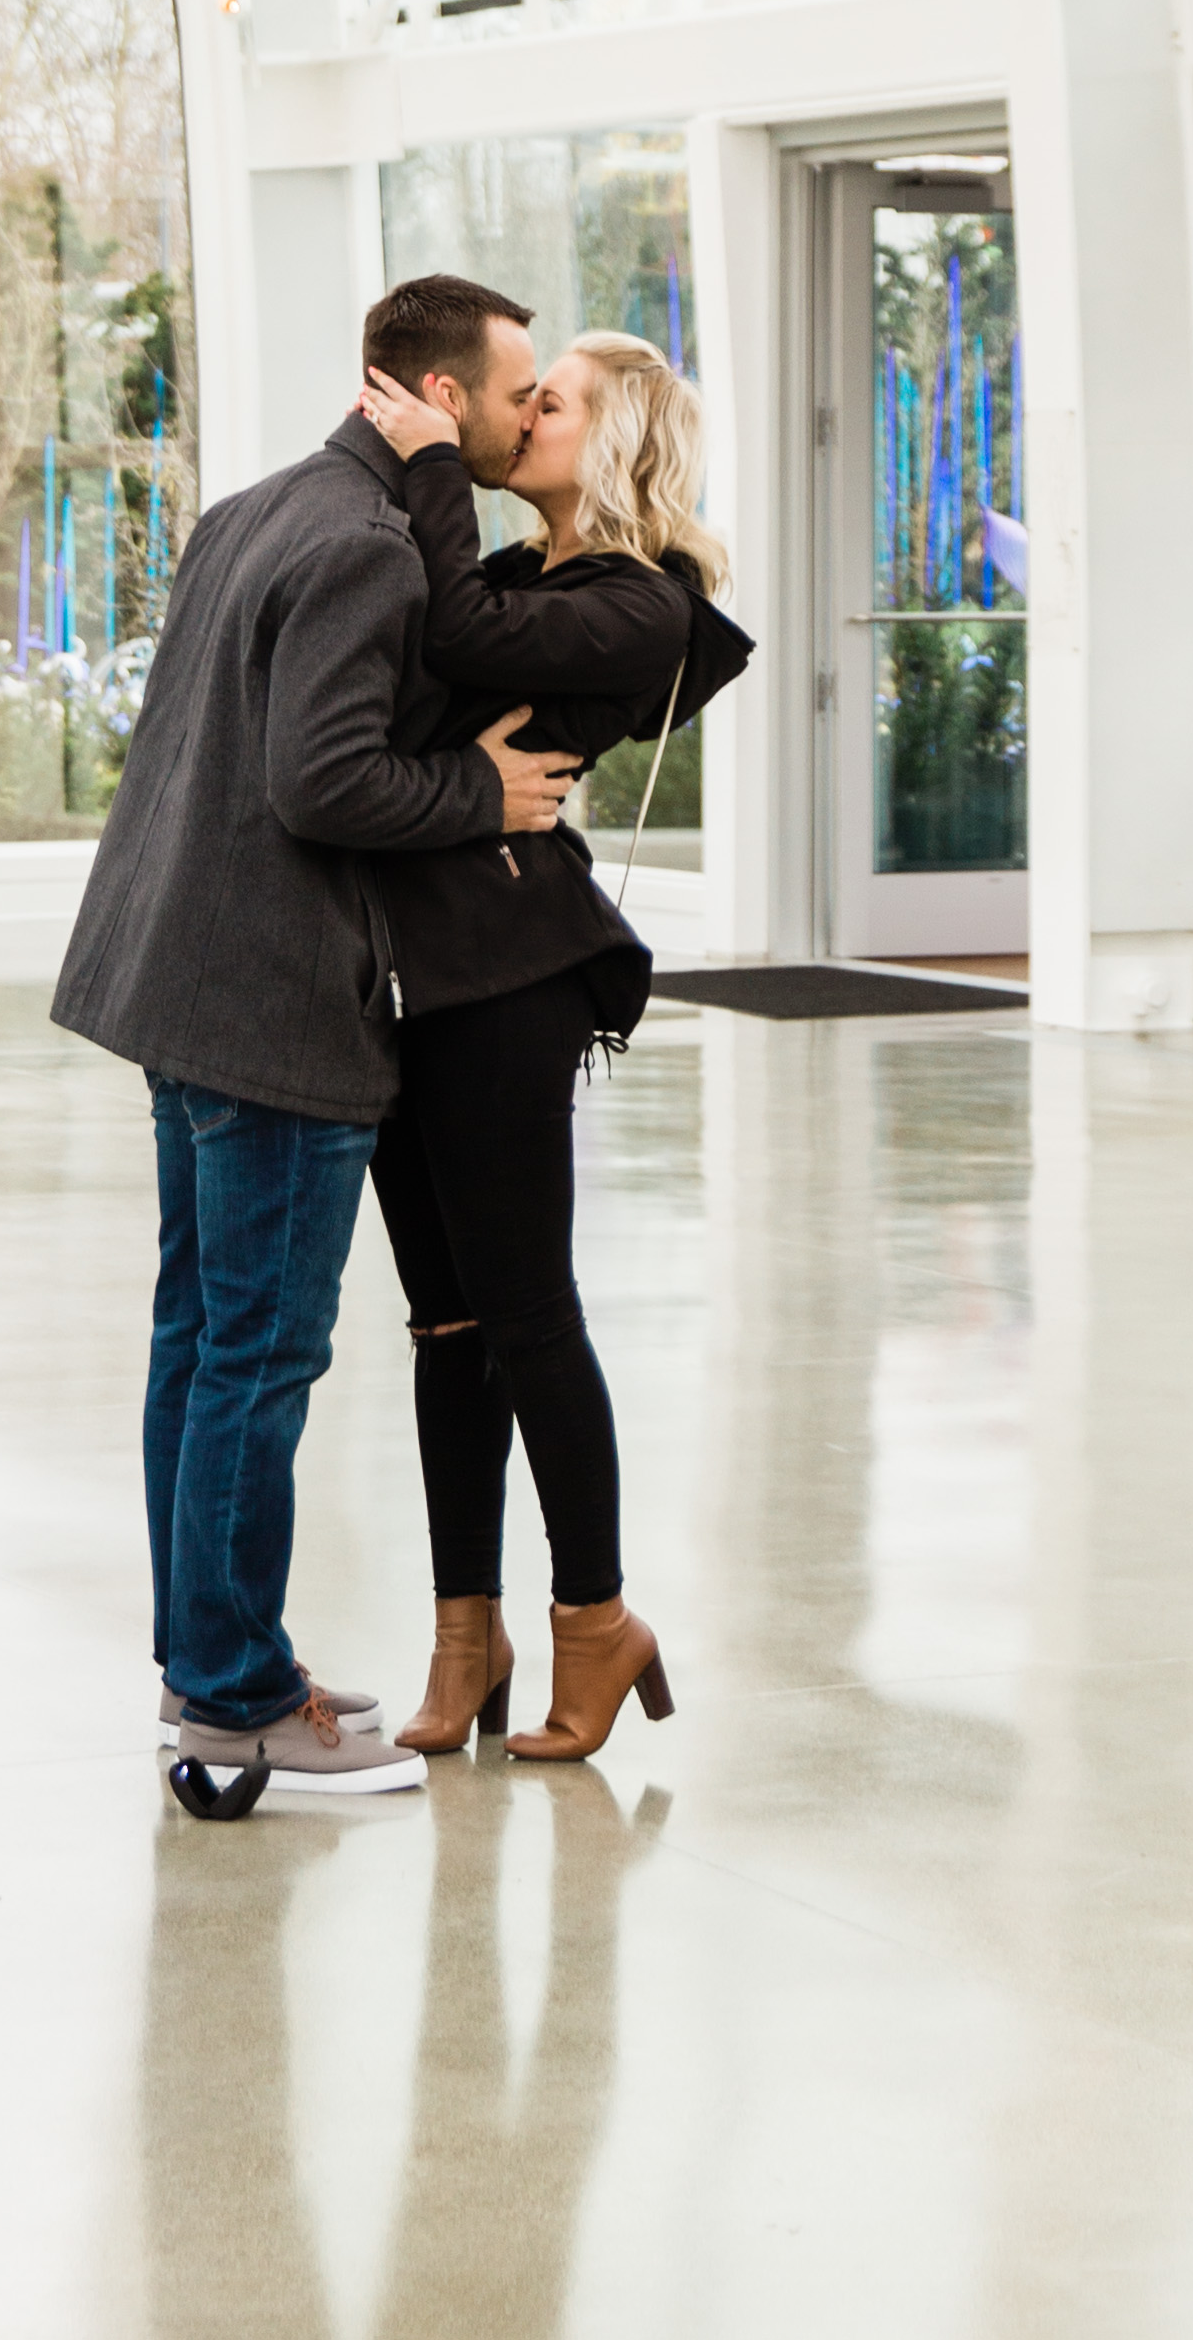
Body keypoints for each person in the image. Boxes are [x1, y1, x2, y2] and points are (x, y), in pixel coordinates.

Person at [50, 273, 575, 1801]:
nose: (524, 412)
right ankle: (229, 1700)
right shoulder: (364, 548)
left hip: (175, 980)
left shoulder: (265, 506)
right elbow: (321, 782)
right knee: (258, 1353)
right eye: (512, 389)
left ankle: (213, 1662)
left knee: (200, 1342)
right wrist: (485, 795)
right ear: (434, 391)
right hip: (274, 1004)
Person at [354, 329, 752, 1768]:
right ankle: (469, 1630)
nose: (525, 413)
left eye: (554, 400)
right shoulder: (523, 574)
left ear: (621, 435)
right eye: (524, 394)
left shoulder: (640, 601)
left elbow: (450, 641)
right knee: (439, 1325)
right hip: (408, 969)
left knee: (525, 1311)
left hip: (511, 972)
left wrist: (417, 466)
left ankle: (593, 1615)